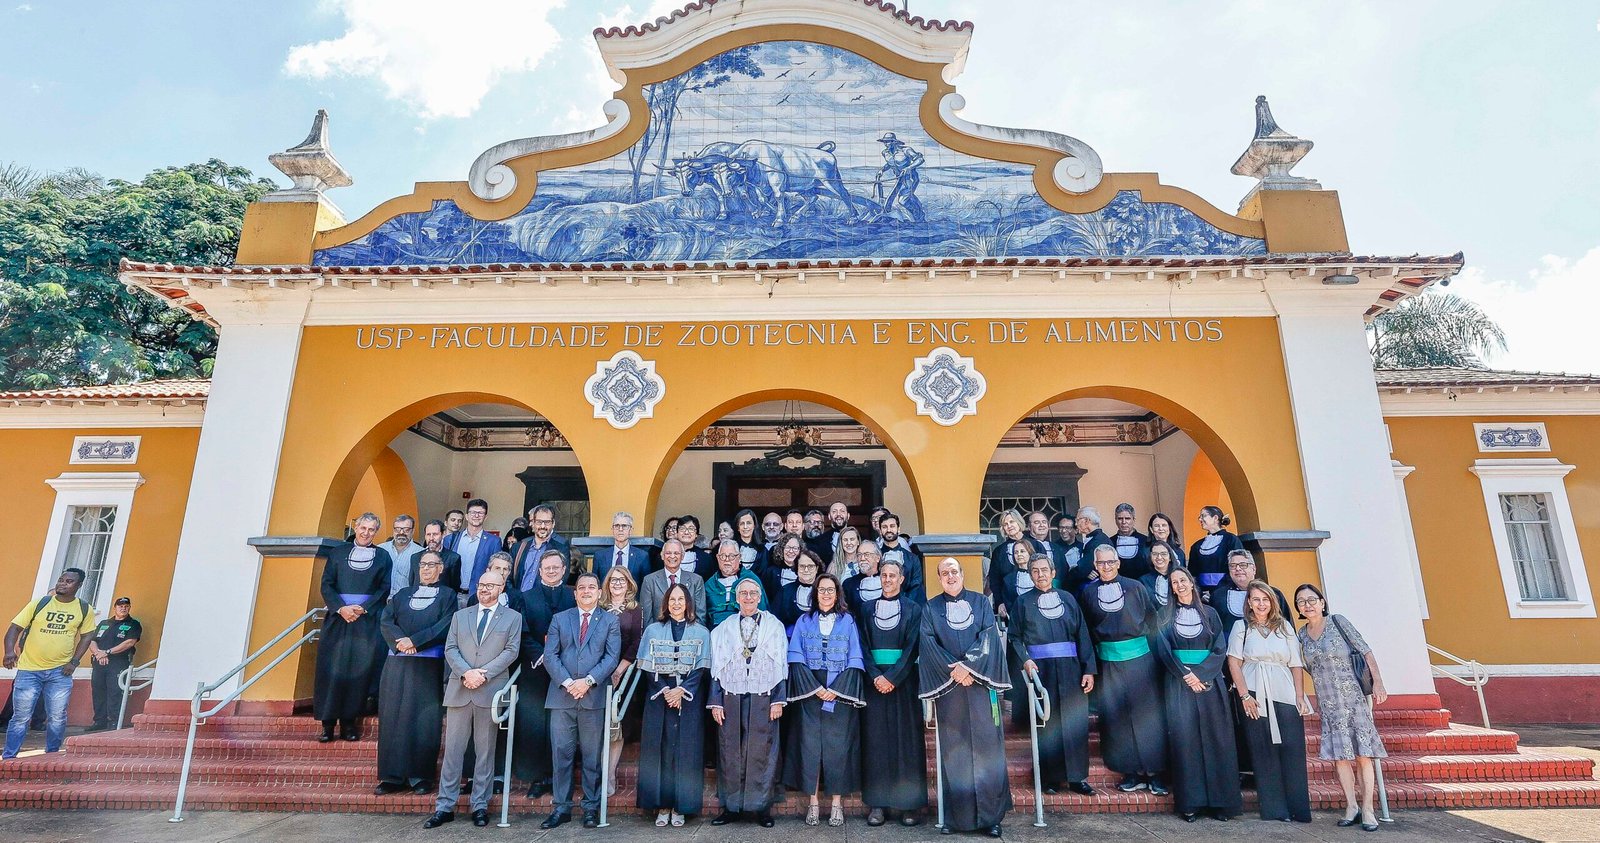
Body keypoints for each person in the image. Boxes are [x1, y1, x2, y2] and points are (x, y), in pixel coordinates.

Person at [920, 558, 1010, 837]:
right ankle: (956, 818)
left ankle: (991, 818)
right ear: (938, 578)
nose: (950, 576)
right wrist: (955, 672)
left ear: (963, 574)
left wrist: (968, 667)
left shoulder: (981, 603)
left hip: (981, 687)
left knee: (987, 751)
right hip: (950, 689)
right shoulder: (930, 607)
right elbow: (928, 641)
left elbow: (988, 636)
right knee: (953, 753)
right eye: (944, 572)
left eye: (954, 571)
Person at [425, 570, 520, 830]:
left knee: (485, 752)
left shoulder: (513, 618)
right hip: (460, 688)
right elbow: (450, 648)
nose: (484, 589)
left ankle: (480, 805)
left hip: (489, 691)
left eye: (491, 585)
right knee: (453, 751)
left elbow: (511, 651)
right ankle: (445, 806)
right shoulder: (460, 615)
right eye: (481, 584)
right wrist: (467, 672)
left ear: (501, 588)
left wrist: (483, 675)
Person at [1295, 583, 1389, 832]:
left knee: (1363, 755)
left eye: (1312, 599)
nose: (1308, 604)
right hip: (1328, 703)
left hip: (1354, 699)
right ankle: (1351, 806)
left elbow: (1365, 650)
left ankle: (1368, 808)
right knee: (1340, 758)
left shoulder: (1338, 622)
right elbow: (1301, 666)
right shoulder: (1301, 635)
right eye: (1302, 602)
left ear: (1322, 602)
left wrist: (1377, 682)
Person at [1152, 568, 1240, 822]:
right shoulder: (1163, 616)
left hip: (1210, 683)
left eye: (1183, 580)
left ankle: (1220, 803)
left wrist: (1201, 674)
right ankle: (1191, 803)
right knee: (1186, 742)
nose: (1179, 585)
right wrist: (1186, 676)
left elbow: (1219, 648)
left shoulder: (1211, 614)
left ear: (1192, 583)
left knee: (1216, 740)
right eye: (1174, 582)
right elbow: (1164, 650)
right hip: (1179, 683)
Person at [1080, 544, 1168, 794]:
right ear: (1095, 566)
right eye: (1100, 563)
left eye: (1110, 562)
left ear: (1118, 562)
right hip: (1108, 663)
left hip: (1141, 661)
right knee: (1117, 718)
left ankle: (1155, 773)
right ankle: (1130, 772)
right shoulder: (1088, 593)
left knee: (1146, 717)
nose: (1105, 567)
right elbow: (1086, 631)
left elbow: (1152, 624)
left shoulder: (1136, 587)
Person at [1010, 554, 1097, 796]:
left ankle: (1077, 778)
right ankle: (1049, 777)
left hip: (1071, 669)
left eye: (1044, 570)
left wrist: (1088, 668)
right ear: (1030, 575)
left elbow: (1083, 635)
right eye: (1035, 571)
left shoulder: (1069, 599)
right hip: (1041, 670)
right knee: (1047, 724)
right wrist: (1025, 659)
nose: (1040, 574)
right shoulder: (1023, 603)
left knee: (1074, 723)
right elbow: (1015, 637)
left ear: (1053, 572)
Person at [540, 573, 622, 830]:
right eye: (581, 588)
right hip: (562, 697)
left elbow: (611, 657)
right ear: (575, 593)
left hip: (593, 697)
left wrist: (587, 682)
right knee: (561, 755)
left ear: (600, 593)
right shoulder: (559, 619)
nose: (586, 591)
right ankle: (561, 808)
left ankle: (590, 807)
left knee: (591, 756)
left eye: (591, 587)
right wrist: (568, 683)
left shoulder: (610, 621)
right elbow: (550, 655)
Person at [1227, 580, 1313, 823]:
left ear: (1272, 602)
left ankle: (1297, 808)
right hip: (1255, 691)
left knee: (1292, 748)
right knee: (1263, 749)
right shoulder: (1241, 626)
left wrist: (1299, 696)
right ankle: (1275, 809)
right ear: (1249, 603)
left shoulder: (1284, 626)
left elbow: (1296, 663)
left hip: (1284, 690)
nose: (1261, 604)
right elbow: (1234, 662)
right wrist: (1244, 696)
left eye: (1265, 599)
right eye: (1256, 599)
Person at [785, 573, 866, 827]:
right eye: (822, 590)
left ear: (838, 593)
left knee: (837, 750)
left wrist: (836, 690)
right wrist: (815, 689)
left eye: (831, 590)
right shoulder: (804, 620)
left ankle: (837, 805)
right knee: (809, 749)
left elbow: (855, 658)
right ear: (815, 593)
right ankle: (813, 804)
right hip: (810, 692)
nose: (826, 594)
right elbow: (795, 656)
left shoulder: (848, 621)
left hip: (839, 691)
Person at [708, 578, 788, 828]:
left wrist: (779, 699)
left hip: (764, 695)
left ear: (760, 595)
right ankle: (731, 808)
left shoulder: (774, 626)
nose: (749, 598)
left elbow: (781, 664)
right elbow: (715, 666)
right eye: (744, 593)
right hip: (731, 695)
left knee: (762, 750)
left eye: (754, 593)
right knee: (729, 749)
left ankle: (761, 808)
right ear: (737, 598)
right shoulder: (723, 628)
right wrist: (716, 702)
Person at [376, 550, 456, 795]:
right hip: (397, 664)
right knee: (392, 718)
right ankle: (391, 776)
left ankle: (420, 776)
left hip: (426, 666)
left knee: (424, 720)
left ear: (441, 569)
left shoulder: (448, 595)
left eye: (432, 565)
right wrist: (401, 640)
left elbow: (445, 624)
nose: (426, 569)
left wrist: (416, 642)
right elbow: (386, 620)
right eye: (423, 564)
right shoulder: (402, 594)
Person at [857, 558, 927, 826]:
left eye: (892, 575)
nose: (887, 579)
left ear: (901, 579)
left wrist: (893, 678)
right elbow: (862, 645)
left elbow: (913, 647)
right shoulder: (865, 609)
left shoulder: (913, 609)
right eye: (883, 575)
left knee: (906, 741)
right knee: (876, 742)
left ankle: (909, 805)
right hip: (874, 684)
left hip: (904, 682)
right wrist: (876, 676)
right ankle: (878, 804)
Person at [636, 583, 712, 827]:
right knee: (661, 752)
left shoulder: (701, 632)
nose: (676, 603)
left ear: (688, 603)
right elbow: (647, 668)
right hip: (660, 695)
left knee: (685, 752)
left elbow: (701, 668)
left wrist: (682, 690)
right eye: (672, 599)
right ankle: (662, 805)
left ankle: (681, 806)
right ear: (666, 603)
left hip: (689, 697)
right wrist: (666, 691)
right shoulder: (653, 630)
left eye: (681, 599)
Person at [314, 512, 392, 742]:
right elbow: (327, 584)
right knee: (331, 670)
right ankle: (327, 725)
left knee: (357, 673)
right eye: (363, 528)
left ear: (376, 532)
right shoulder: (337, 553)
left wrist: (363, 608)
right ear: (356, 527)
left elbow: (384, 587)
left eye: (371, 530)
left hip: (365, 622)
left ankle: (349, 724)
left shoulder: (383, 557)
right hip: (338, 620)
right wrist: (341, 608)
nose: (366, 533)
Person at [2, 568, 95, 758]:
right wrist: (9, 652)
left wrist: (74, 662)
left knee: (57, 717)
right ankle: (9, 757)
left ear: (79, 585)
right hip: (29, 670)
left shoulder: (84, 609)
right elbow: (15, 628)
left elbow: (87, 637)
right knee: (20, 717)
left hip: (60, 672)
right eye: (61, 580)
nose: (63, 583)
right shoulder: (40, 603)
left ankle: (52, 756)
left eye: (69, 581)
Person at [516, 548, 575, 798]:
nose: (551, 571)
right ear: (540, 570)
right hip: (536, 670)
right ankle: (538, 778)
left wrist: (562, 660)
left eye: (556, 567)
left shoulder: (573, 597)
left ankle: (561, 777)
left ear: (564, 570)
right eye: (547, 567)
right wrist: (541, 656)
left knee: (562, 727)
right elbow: (522, 632)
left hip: (566, 671)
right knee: (536, 725)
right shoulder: (525, 598)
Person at [599, 565, 645, 794]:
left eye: (622, 580)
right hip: (597, 674)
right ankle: (597, 773)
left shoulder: (635, 610)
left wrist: (619, 669)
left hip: (622, 673)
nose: (617, 584)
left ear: (629, 584)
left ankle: (609, 775)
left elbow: (637, 642)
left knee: (616, 727)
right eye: (613, 580)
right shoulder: (598, 607)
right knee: (598, 726)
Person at [1210, 550, 1290, 645]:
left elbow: (1286, 625)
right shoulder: (1218, 596)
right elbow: (1214, 630)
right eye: (1233, 565)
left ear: (1254, 569)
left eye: (1243, 565)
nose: (1238, 568)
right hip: (1230, 651)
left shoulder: (1273, 594)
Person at [85, 596, 140, 732]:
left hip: (118, 663)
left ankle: (114, 721)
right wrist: (98, 654)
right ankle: (99, 721)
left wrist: (107, 652)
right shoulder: (105, 623)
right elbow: (92, 641)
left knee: (115, 692)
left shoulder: (133, 624)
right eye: (120, 606)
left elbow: (129, 642)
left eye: (126, 606)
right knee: (98, 691)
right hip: (100, 662)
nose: (123, 608)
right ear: (114, 608)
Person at [640, 539, 706, 627]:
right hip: (659, 636)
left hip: (689, 635)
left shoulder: (696, 580)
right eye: (668, 553)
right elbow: (646, 617)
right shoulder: (649, 581)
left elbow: (700, 615)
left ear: (682, 556)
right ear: (662, 556)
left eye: (676, 553)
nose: (672, 556)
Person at [707, 539, 767, 628]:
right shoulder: (710, 584)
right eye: (723, 556)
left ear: (739, 558)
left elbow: (762, 610)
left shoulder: (751, 579)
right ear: (717, 558)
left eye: (731, 556)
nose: (727, 560)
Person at [870, 132, 926, 222]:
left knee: (903, 200)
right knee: (904, 197)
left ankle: (919, 216)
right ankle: (917, 213)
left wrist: (909, 168)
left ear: (894, 142)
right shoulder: (885, 153)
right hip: (899, 179)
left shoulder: (906, 150)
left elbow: (920, 159)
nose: (886, 144)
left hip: (910, 178)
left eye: (888, 142)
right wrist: (882, 170)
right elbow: (890, 163)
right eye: (884, 142)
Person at [447, 499, 500, 594]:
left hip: (478, 595)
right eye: (473, 512)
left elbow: (496, 571)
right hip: (453, 595)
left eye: (480, 513)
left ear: (485, 517)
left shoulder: (493, 541)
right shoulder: (450, 539)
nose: (476, 516)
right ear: (466, 516)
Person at [513, 504, 569, 590]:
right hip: (518, 600)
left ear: (553, 523)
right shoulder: (520, 546)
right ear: (533, 523)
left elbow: (563, 577)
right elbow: (509, 576)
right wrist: (514, 596)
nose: (542, 526)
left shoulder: (560, 547)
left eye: (547, 522)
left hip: (544, 601)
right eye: (539, 522)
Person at [1188, 506, 1244, 592]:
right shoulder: (1196, 546)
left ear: (1215, 518)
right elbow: (1192, 573)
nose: (1200, 519)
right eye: (1200, 517)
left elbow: (1237, 567)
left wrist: (1220, 592)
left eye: (1203, 516)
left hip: (1226, 591)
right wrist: (1199, 593)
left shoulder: (1231, 540)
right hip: (1201, 595)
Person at [988, 510, 1044, 589]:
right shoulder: (999, 551)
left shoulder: (1036, 545)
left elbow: (1045, 570)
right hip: (1008, 597)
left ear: (1019, 522)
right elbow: (994, 579)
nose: (1009, 526)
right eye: (1005, 524)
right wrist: (999, 601)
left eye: (1012, 522)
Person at [875, 513, 924, 600]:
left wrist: (904, 604)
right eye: (884, 527)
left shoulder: (912, 559)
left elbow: (916, 586)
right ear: (880, 530)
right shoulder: (875, 558)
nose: (888, 530)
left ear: (898, 529)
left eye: (892, 526)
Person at [595, 512, 651, 586]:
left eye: (624, 526)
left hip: (632, 597)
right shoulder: (600, 556)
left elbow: (646, 585)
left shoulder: (642, 556)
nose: (620, 529)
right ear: (612, 529)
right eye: (617, 526)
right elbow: (596, 583)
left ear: (630, 530)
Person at [420, 520, 465, 602]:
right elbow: (413, 583)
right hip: (419, 602)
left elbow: (454, 586)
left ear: (443, 534)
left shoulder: (453, 558)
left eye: (435, 534)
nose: (431, 538)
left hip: (442, 603)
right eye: (428, 534)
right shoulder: (415, 557)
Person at [777, 551, 822, 633]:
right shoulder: (786, 590)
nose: (806, 570)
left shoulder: (825, 591)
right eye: (802, 566)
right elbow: (776, 620)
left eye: (810, 566)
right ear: (797, 568)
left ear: (817, 568)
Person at [380, 514, 423, 597]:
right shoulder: (381, 549)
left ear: (412, 531)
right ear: (393, 530)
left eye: (406, 530)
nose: (401, 532)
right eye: (397, 529)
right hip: (381, 602)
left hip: (405, 602)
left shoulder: (420, 553)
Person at [1110, 503, 1153, 580]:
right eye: (1120, 518)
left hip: (1142, 586)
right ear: (1115, 520)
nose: (1124, 522)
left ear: (1134, 520)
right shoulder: (1110, 542)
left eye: (1127, 518)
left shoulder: (1146, 541)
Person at [1052, 514, 1090, 594]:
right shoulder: (1053, 548)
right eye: (1061, 528)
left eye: (1068, 528)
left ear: (1076, 530)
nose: (1064, 531)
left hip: (1080, 590)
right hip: (1060, 590)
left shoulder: (1083, 548)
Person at [761, 533, 804, 600]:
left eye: (795, 548)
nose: (791, 551)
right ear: (781, 550)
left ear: (800, 550)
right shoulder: (771, 572)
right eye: (787, 547)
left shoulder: (805, 572)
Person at [841, 541, 883, 609]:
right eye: (859, 555)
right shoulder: (848, 584)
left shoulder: (887, 581)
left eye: (867, 554)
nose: (862, 558)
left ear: (877, 558)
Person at [1141, 542, 1178, 609]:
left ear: (1170, 557)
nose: (1159, 557)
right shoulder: (1143, 581)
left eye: (1163, 554)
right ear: (1151, 557)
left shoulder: (1179, 577)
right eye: (1155, 554)